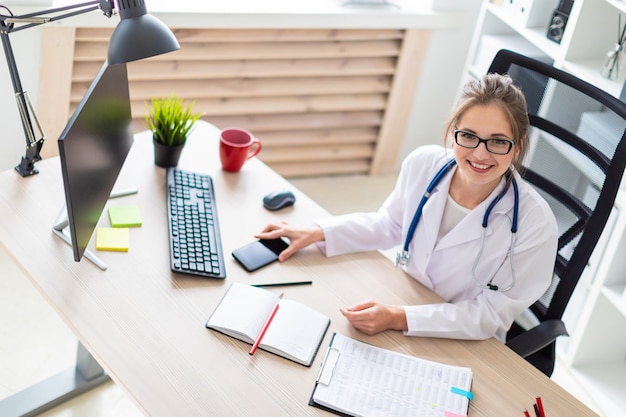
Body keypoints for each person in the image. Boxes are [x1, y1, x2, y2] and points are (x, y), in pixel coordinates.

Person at [256, 73, 558, 342]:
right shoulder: (424, 164)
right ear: (453, 132)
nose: (480, 153)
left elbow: (488, 316)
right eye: (468, 136)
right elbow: (390, 225)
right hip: (405, 297)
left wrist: (399, 317)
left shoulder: (535, 223)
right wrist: (318, 231)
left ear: (517, 146)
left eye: (498, 142)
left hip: (462, 337)